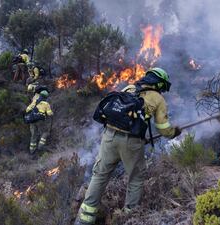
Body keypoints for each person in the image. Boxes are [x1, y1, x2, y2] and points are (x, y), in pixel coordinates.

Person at [75, 68, 182, 225]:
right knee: (135, 179)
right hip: (131, 142)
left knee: (99, 175)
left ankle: (84, 219)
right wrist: (175, 132)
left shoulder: (129, 88)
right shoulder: (157, 98)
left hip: (109, 137)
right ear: (159, 83)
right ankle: (128, 218)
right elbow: (163, 129)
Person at [24, 90, 53, 154]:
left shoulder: (34, 101)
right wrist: (51, 113)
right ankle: (40, 146)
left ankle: (32, 151)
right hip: (40, 121)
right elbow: (49, 113)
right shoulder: (46, 104)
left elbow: (27, 110)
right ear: (46, 97)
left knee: (33, 135)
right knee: (45, 132)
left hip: (32, 120)